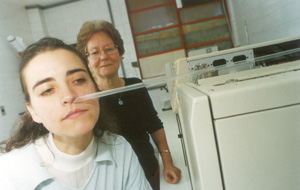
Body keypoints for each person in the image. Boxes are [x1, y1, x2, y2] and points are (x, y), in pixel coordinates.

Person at [0, 37, 152, 190]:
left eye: (79, 80)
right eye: (47, 90)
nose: (69, 95)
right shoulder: (10, 170)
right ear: (33, 111)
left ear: (95, 88)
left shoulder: (119, 148)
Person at [77, 20, 181, 190]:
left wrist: (168, 163)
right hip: (114, 184)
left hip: (150, 174)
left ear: (120, 52)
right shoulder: (90, 99)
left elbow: (155, 125)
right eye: (94, 52)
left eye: (109, 49)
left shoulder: (135, 86)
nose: (103, 56)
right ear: (87, 61)